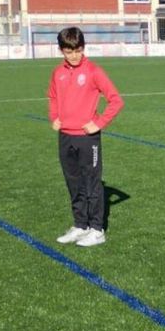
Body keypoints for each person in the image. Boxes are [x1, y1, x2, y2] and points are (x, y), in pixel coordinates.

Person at [48, 26, 124, 248]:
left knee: (92, 184)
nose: (74, 55)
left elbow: (116, 100)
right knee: (74, 183)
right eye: (69, 51)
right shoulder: (58, 73)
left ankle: (97, 229)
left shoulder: (93, 71)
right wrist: (54, 117)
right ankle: (80, 225)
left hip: (87, 139)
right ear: (61, 50)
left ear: (83, 48)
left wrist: (99, 123)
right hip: (65, 137)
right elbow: (52, 97)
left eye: (78, 50)